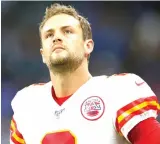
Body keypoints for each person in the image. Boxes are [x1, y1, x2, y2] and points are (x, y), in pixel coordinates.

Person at [10, 3, 160, 144]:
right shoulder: (26, 104)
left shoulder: (117, 90)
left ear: (87, 46)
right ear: (43, 54)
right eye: (49, 35)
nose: (56, 38)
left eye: (67, 31)